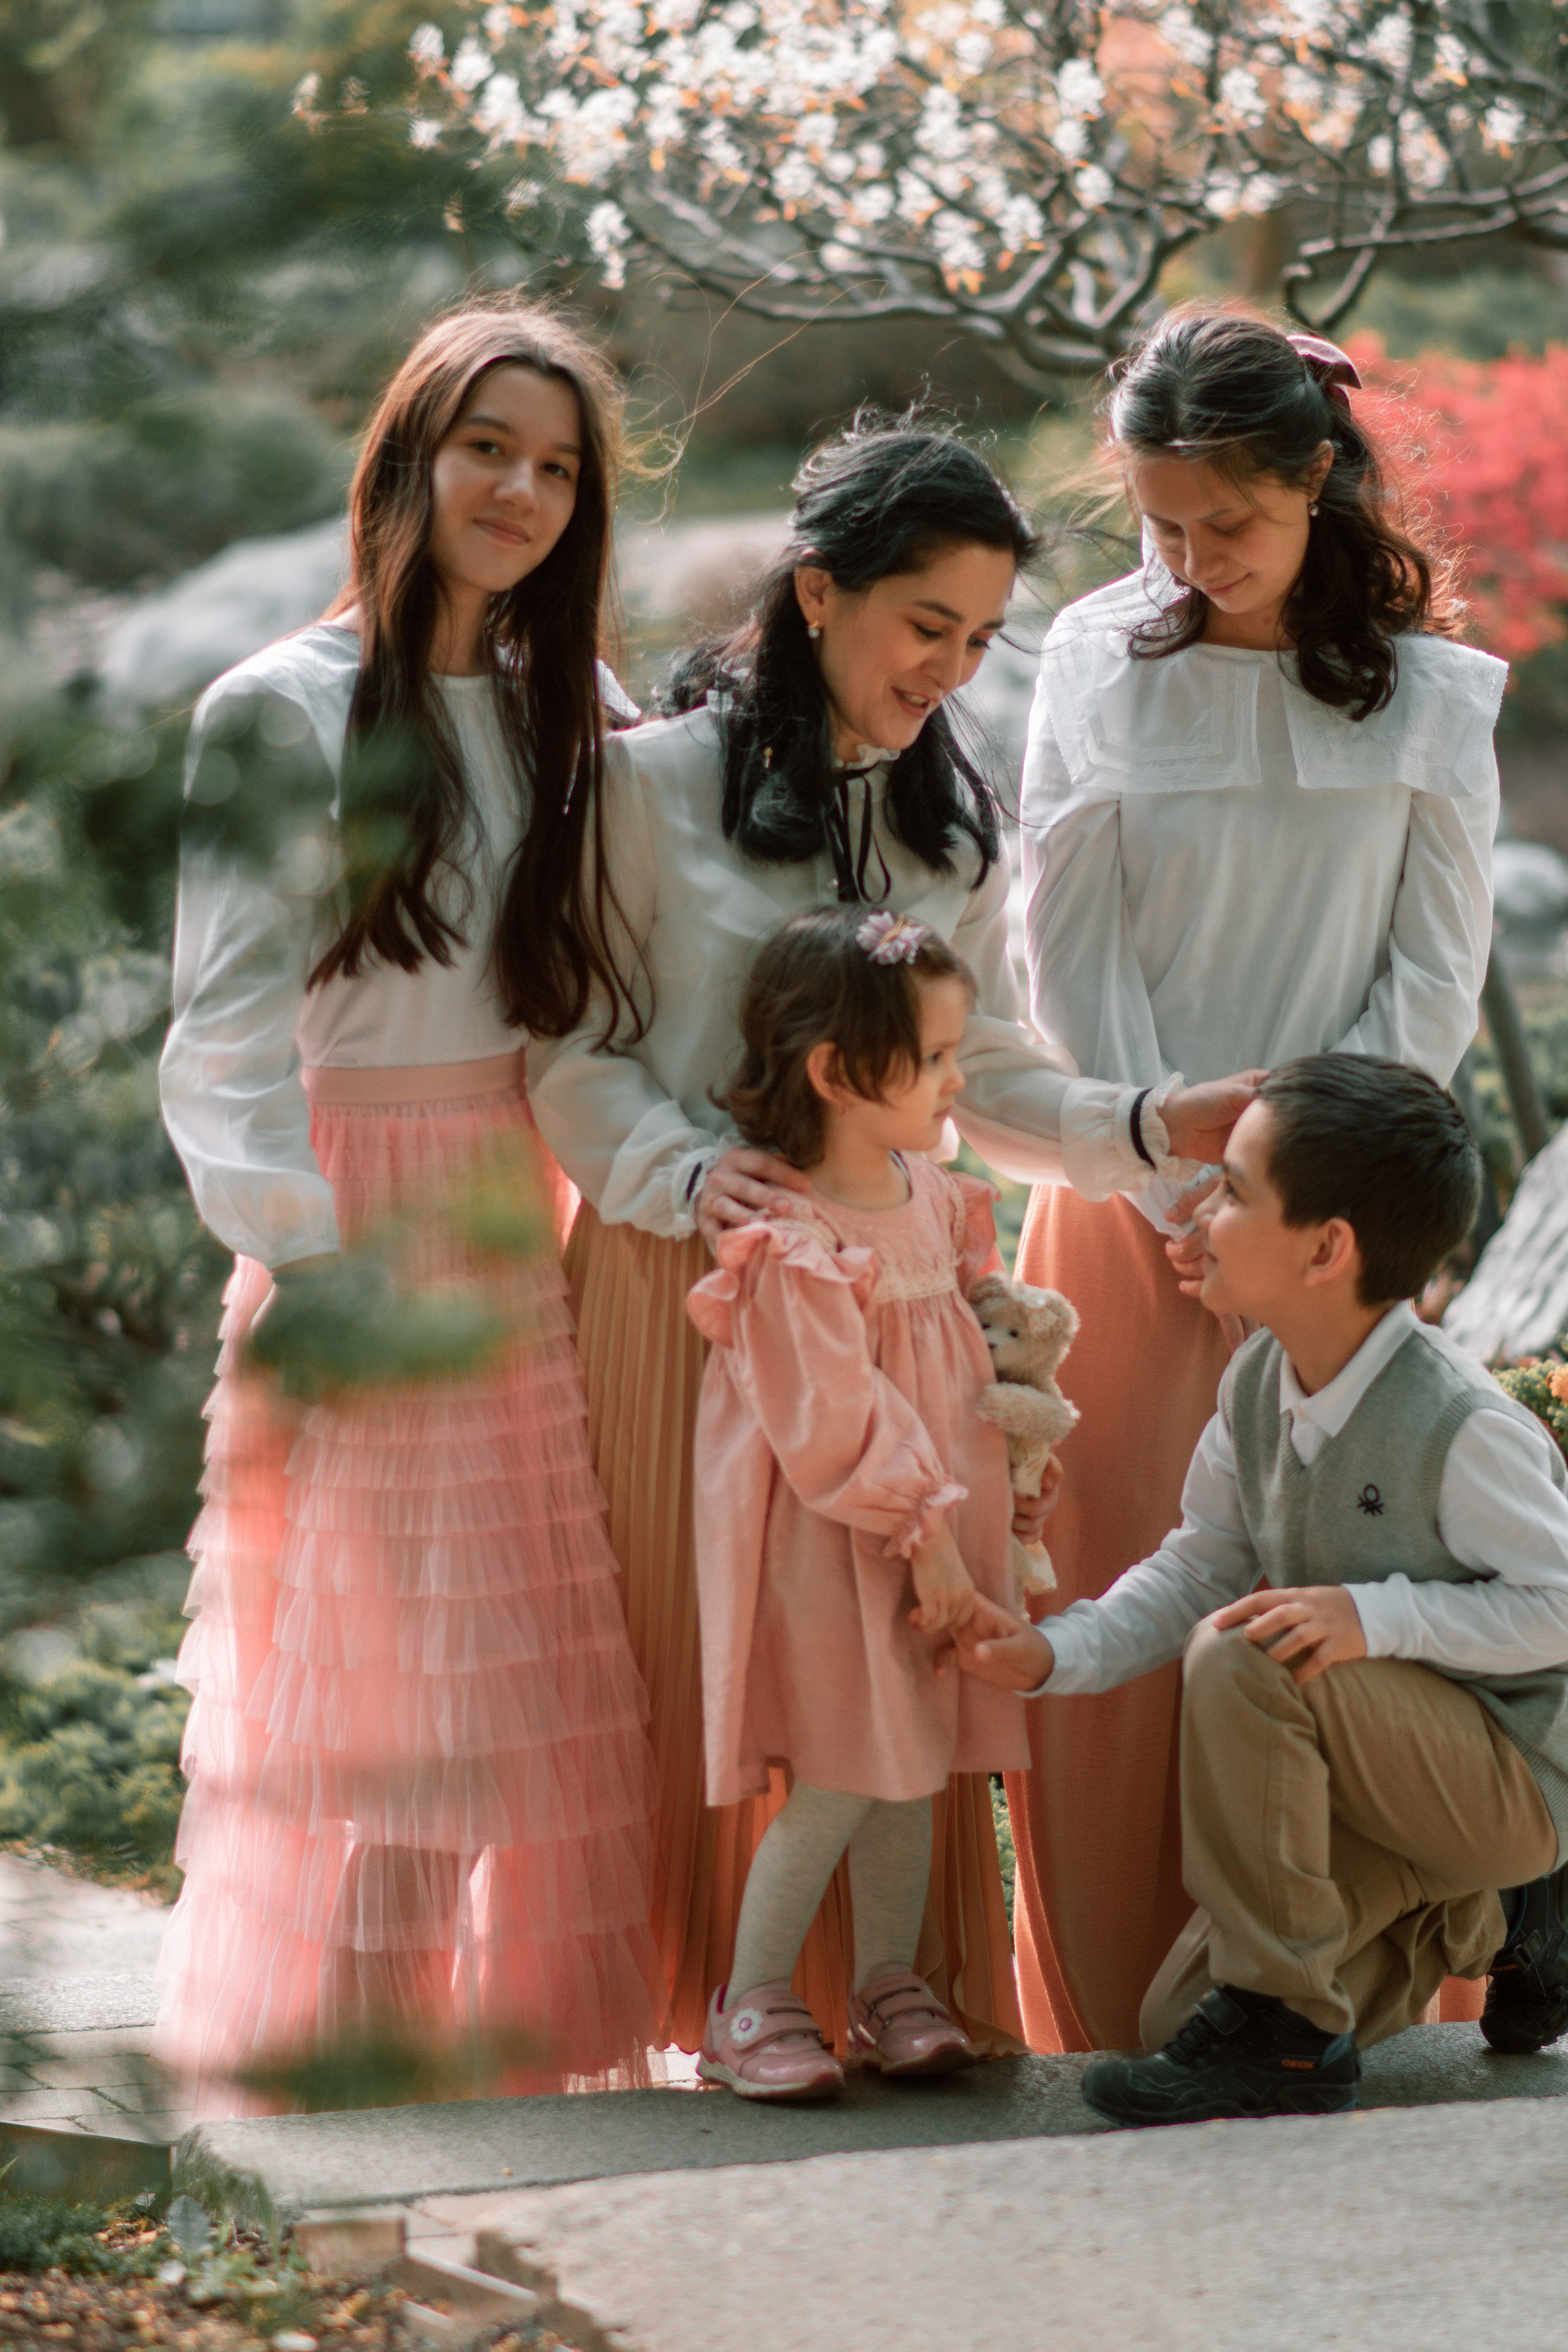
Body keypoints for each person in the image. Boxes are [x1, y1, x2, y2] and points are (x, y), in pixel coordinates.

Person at [527, 417, 1257, 2056]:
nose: (950, 666)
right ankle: (706, 2013)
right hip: (684, 1291)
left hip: (896, 1323)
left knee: (899, 1670)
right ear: (814, 595)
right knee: (694, 1669)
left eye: (982, 638)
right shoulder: (644, 790)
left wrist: (1154, 1125)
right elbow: (568, 1052)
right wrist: (676, 1176)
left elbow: (985, 1079)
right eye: (925, 623)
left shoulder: (953, 830)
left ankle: (889, 1986)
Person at [154, 300, 662, 2109]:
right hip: (355, 1210)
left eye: (555, 465)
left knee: (518, 1658)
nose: (520, 488)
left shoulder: (579, 709)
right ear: (409, 456)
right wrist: (309, 1253)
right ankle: (361, 2073)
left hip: (532, 1200)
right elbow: (216, 1038)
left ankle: (469, 2054)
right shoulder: (279, 710)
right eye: (486, 448)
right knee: (376, 1665)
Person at [1007, 303, 1508, 2052]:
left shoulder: (1436, 694)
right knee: (1126, 1583)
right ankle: (1107, 2010)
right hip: (1126, 1186)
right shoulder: (1093, 655)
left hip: (1336, 1227)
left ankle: (1324, 1992)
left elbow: (1431, 981)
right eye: (1161, 526)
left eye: (1233, 523)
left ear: (1320, 481)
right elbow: (1052, 937)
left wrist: (1298, 1193)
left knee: (1317, 1618)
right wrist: (1167, 1161)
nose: (1196, 560)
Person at [954, 1055, 1568, 2125]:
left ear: (1328, 1249)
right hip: (1383, 1782)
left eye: (1234, 1190)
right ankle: (1493, 1926)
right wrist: (1057, 1651)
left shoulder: (1462, 1425)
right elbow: (1197, 1566)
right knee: (1179, 2015)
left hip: (1511, 1774)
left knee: (1244, 1653)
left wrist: (1373, 1616)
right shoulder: (1255, 1383)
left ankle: (1296, 2031)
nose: (1201, 1208)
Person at [688, 908, 1028, 2098]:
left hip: (938, 1528)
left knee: (913, 1756)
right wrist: (925, 1539)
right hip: (850, 1539)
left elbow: (969, 1320)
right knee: (843, 1765)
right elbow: (832, 1414)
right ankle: (749, 1999)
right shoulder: (788, 1237)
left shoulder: (926, 1192)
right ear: (837, 1073)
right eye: (933, 1059)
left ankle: (887, 1982)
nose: (954, 1079)